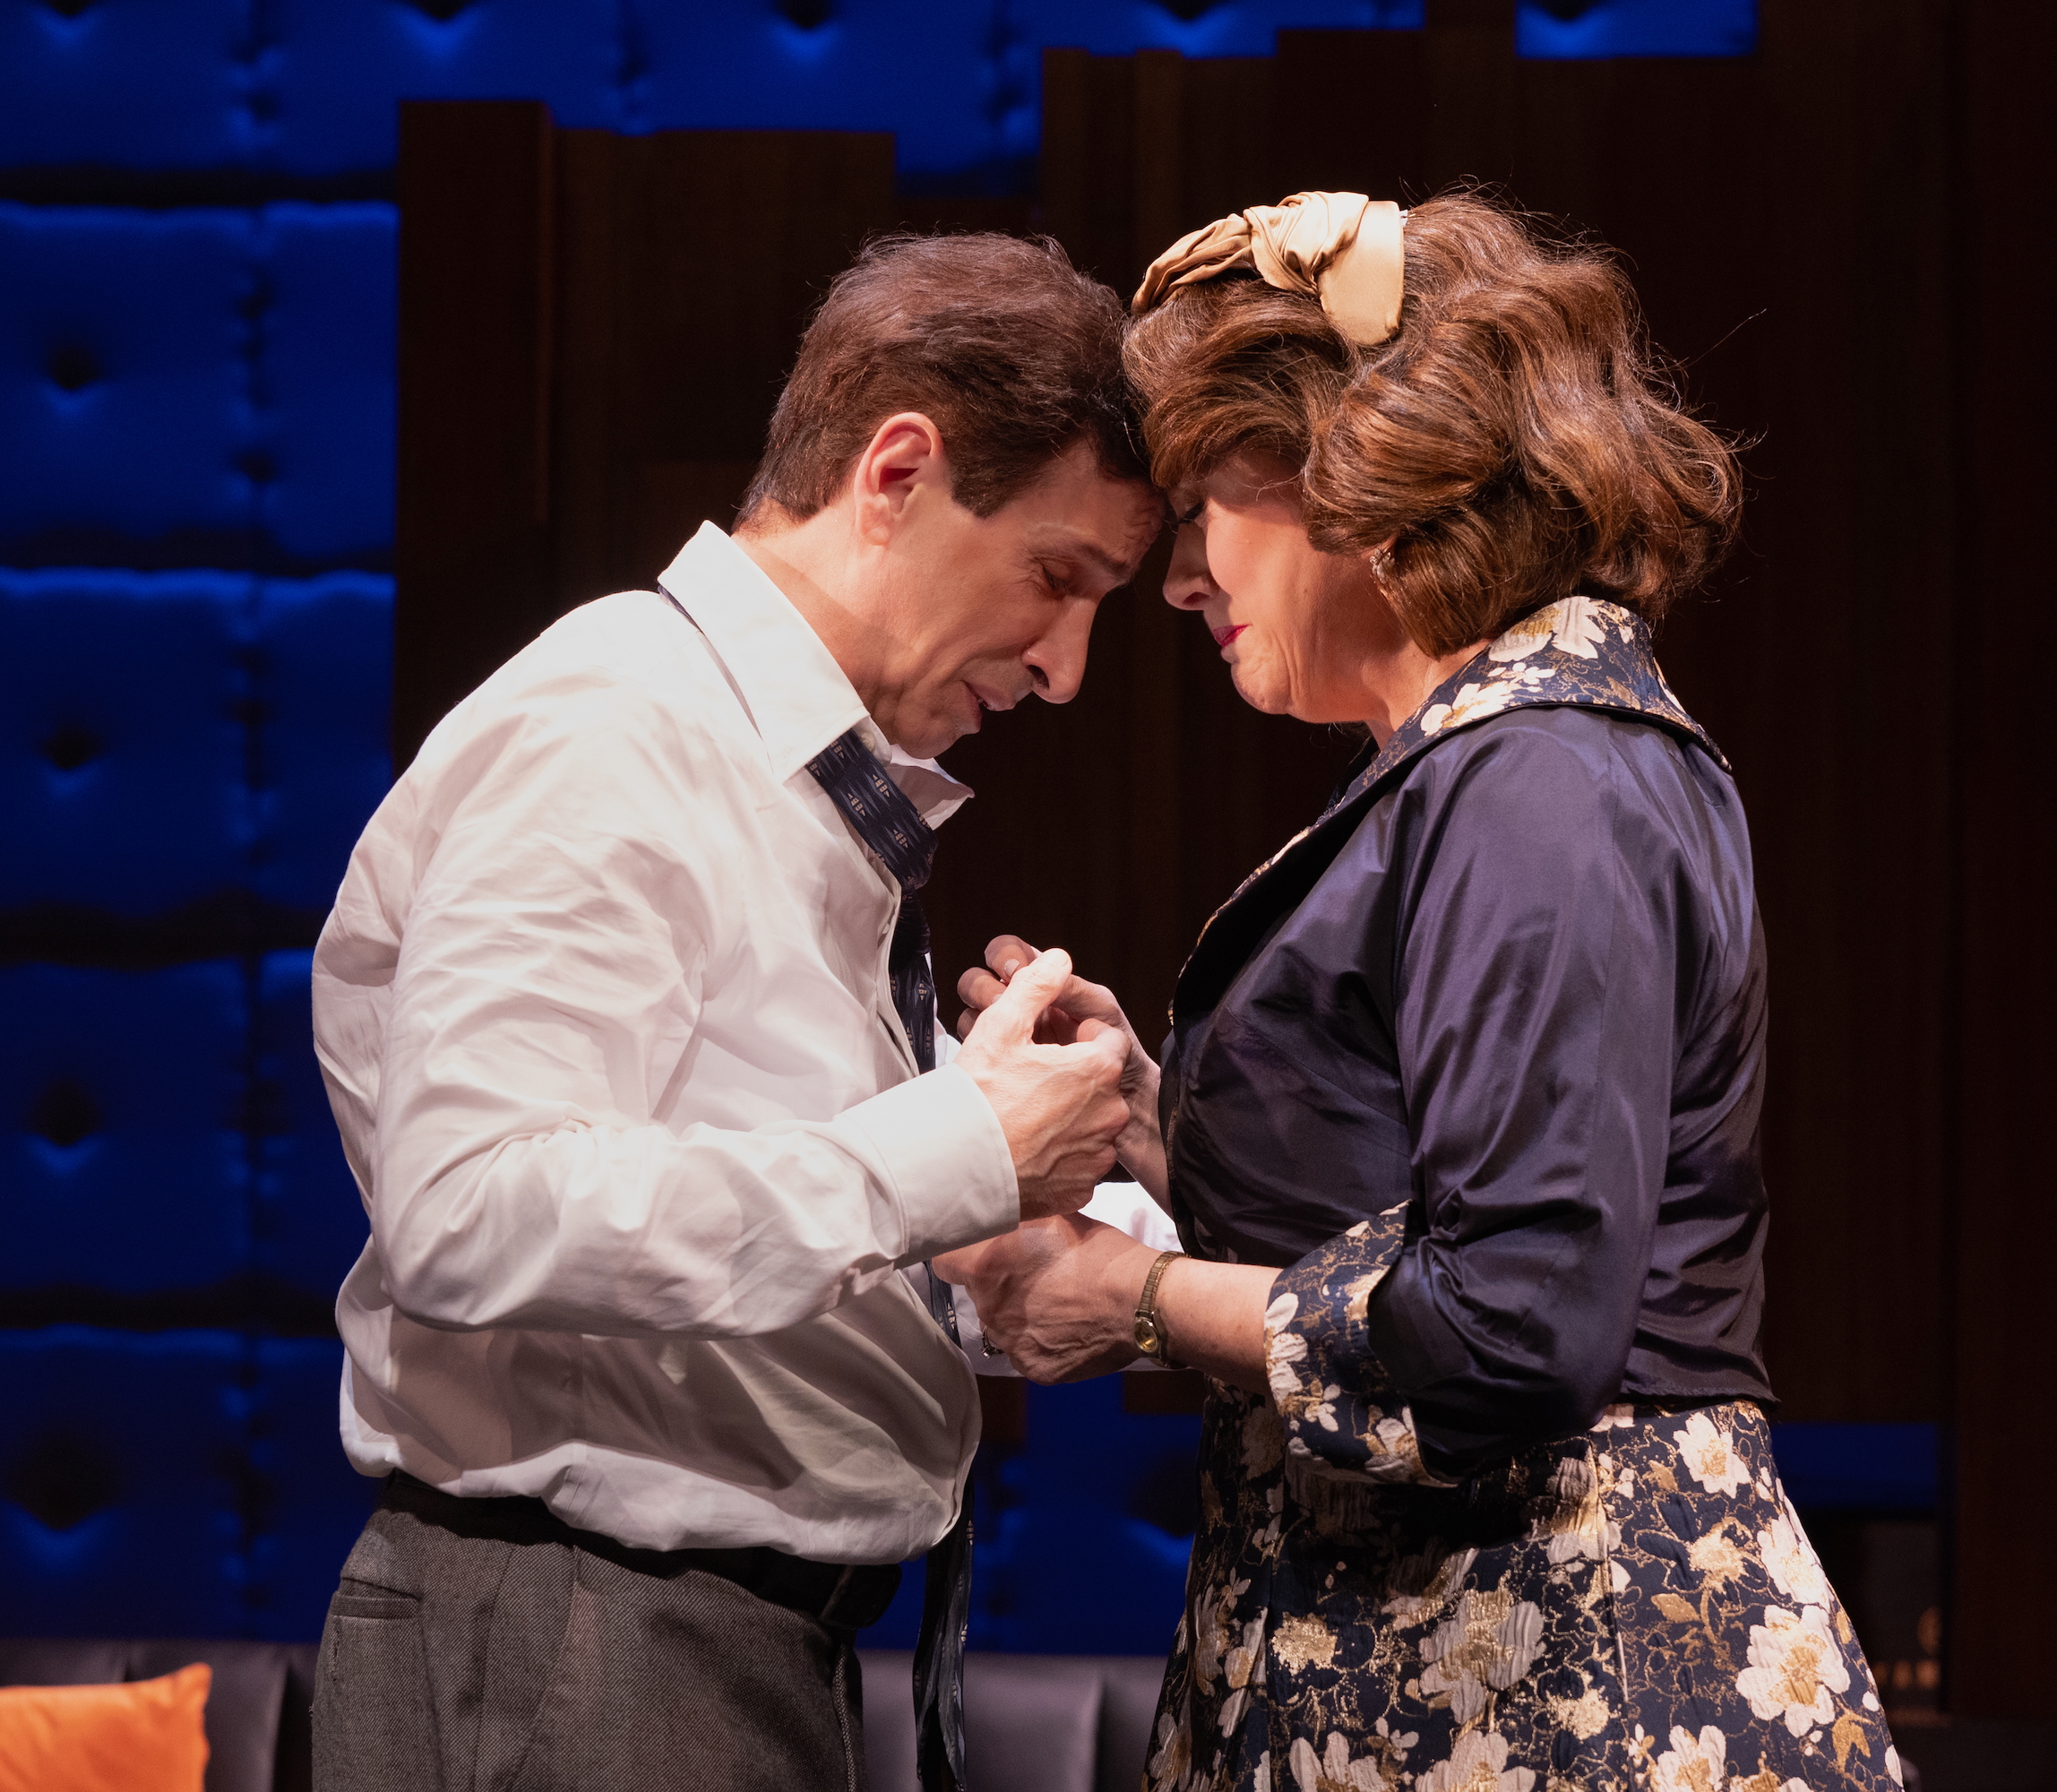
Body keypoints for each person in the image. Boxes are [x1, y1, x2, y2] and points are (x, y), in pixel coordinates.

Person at [941, 194, 1907, 1792]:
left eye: (1202, 505)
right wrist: (1159, 1136)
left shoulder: (1540, 779)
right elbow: (1427, 1206)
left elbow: (1516, 1319)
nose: (1178, 580)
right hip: (1430, 1650)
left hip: (1548, 1666)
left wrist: (1135, 1301)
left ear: (1365, 472)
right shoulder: (1478, 768)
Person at [306, 232, 1159, 1792]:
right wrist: (949, 1148)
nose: (1065, 667)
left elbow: (725, 1238)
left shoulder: (784, 776)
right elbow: (471, 1207)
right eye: (1059, 578)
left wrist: (992, 1241)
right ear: (897, 469)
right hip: (587, 1640)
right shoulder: (618, 723)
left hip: (691, 1649)